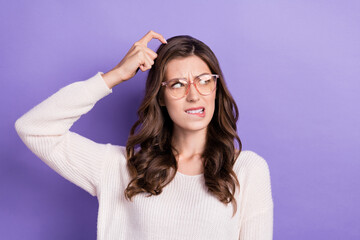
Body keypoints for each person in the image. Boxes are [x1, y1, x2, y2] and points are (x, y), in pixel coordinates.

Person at [15, 30, 274, 240]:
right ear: (160, 97)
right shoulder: (120, 168)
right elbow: (34, 128)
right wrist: (114, 75)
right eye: (178, 84)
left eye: (204, 80)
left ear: (215, 88)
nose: (194, 94)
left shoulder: (247, 169)